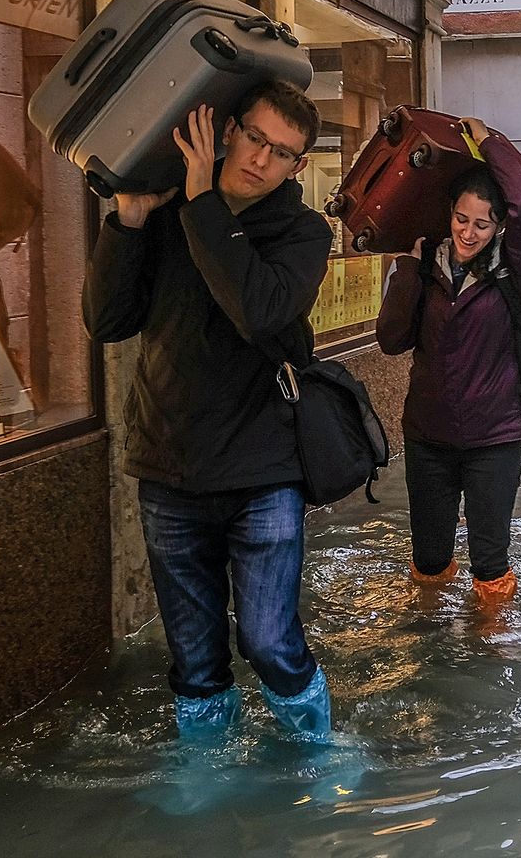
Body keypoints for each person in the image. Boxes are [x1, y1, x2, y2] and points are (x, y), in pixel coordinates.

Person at [84, 81, 334, 744]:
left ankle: (320, 753)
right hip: (169, 468)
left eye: (281, 153)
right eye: (254, 137)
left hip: (262, 471)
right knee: (194, 662)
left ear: (297, 167)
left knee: (270, 643)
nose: (260, 159)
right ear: (229, 131)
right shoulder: (169, 214)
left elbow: (258, 308)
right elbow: (107, 320)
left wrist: (200, 203)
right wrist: (130, 219)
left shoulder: (304, 233)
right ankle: (207, 784)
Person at [376, 148, 521, 607]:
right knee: (429, 558)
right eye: (461, 219)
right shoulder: (424, 265)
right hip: (429, 436)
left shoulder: (515, 268)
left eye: (481, 224)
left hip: (495, 435)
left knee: (489, 561)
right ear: (448, 215)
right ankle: (431, 637)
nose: (468, 232)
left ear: (498, 228)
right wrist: (407, 268)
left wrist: (489, 143)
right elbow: (391, 340)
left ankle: (487, 651)